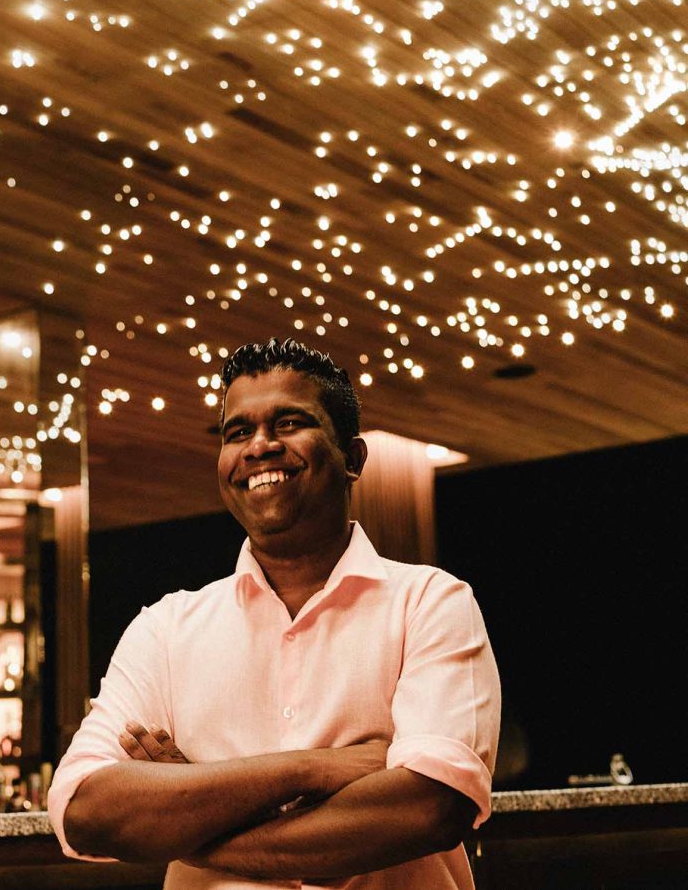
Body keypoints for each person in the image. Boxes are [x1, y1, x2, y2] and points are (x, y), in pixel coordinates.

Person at [48, 337, 501, 889]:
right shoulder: (165, 629)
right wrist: (315, 767)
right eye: (238, 432)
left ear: (352, 459)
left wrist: (191, 815)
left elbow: (428, 809)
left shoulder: (430, 603)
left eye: (288, 423)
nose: (259, 446)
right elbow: (88, 811)